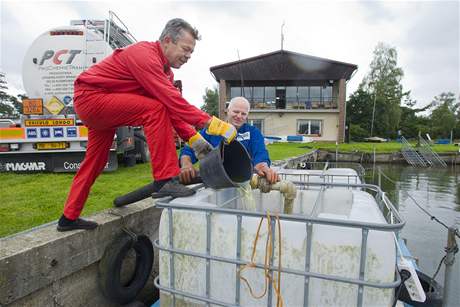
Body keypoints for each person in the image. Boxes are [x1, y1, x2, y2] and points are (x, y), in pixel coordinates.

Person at [57, 18, 236, 231]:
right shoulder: (144, 55)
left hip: (104, 108)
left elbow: (174, 111)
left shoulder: (167, 73)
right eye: (186, 49)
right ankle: (164, 180)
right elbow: (172, 102)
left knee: (95, 162)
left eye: (192, 53)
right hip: (91, 98)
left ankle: (68, 217)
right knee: (154, 109)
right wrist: (211, 123)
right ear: (167, 41)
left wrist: (196, 141)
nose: (188, 56)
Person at [179, 97, 278, 184]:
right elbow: (189, 149)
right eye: (236, 111)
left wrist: (262, 165)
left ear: (247, 116)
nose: (239, 116)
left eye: (243, 114)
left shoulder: (253, 132)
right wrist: (186, 164)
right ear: (227, 111)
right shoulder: (212, 130)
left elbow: (260, 152)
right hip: (214, 182)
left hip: (243, 182)